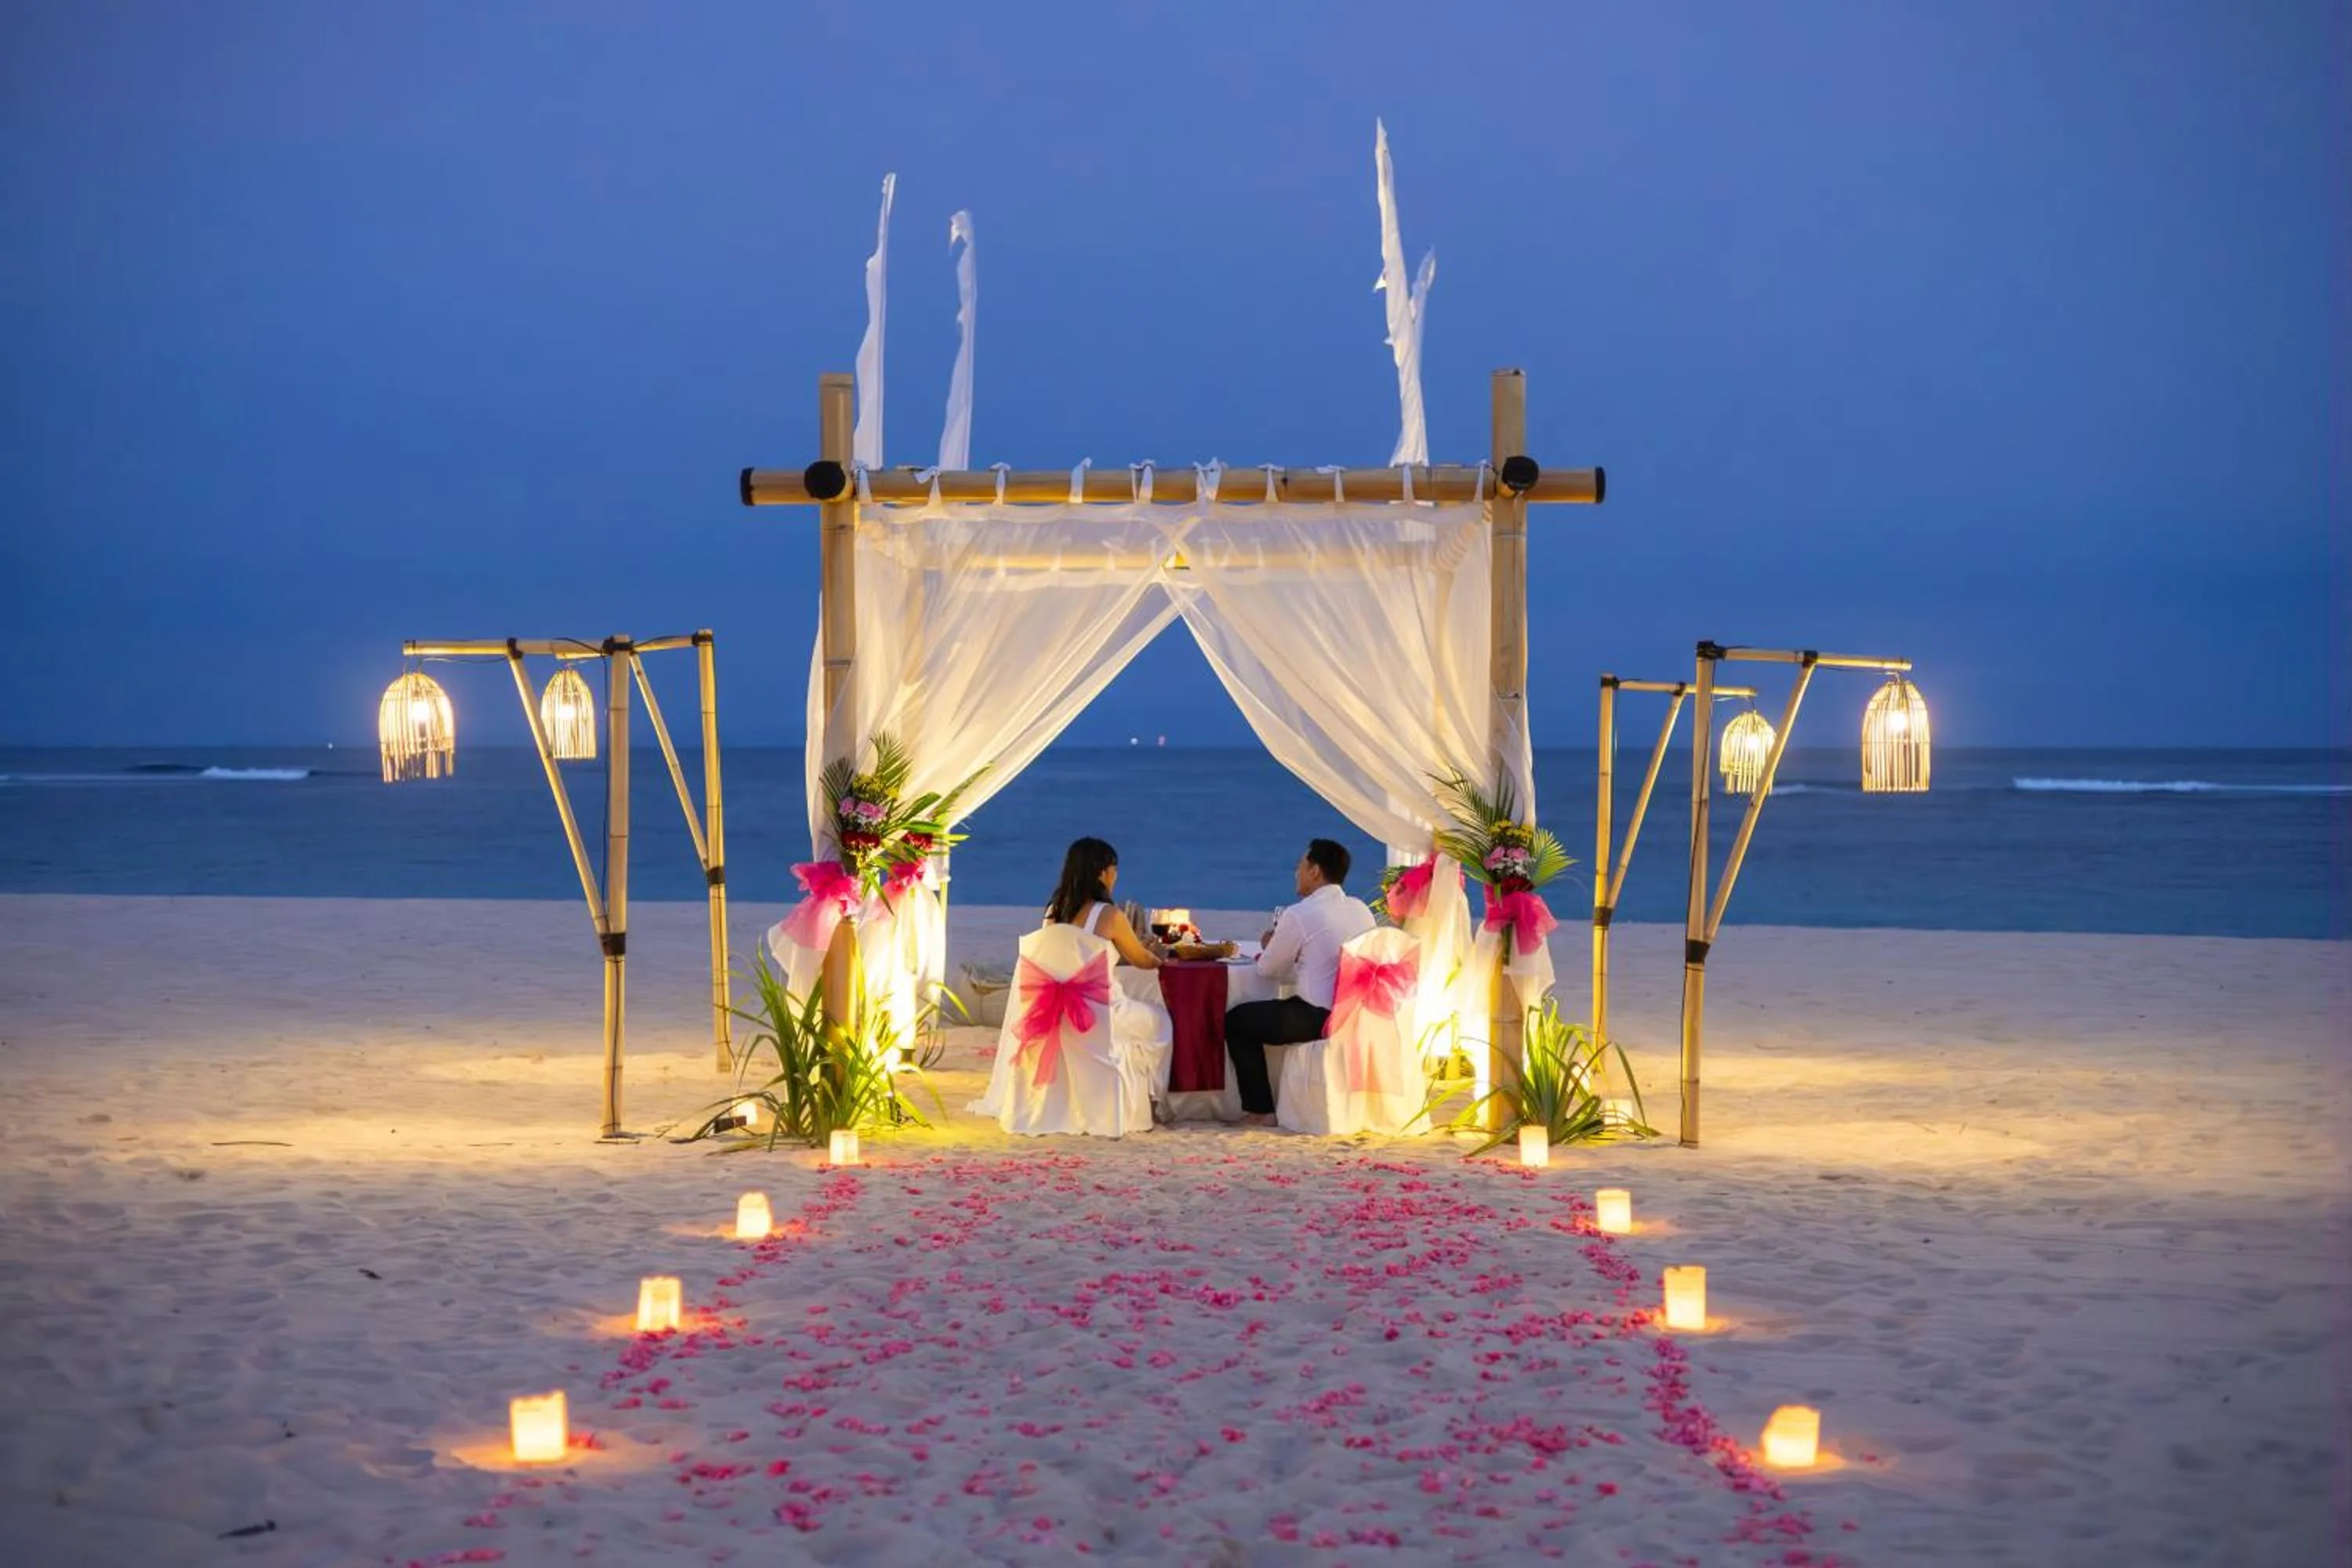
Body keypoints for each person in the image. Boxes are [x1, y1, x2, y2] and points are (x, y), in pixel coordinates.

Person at [1225, 838, 1376, 1127]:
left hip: (1318, 1016)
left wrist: (1270, 946)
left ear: (1315, 871)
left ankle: (1260, 1109)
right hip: (1358, 1014)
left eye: (1300, 867)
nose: (1297, 873)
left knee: (1238, 1021)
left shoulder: (1301, 913)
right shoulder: (1360, 909)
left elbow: (1269, 970)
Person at [1040, 837, 1175, 1103]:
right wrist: (1160, 958)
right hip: (1104, 1013)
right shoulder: (1111, 915)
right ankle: (1153, 1098)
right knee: (1161, 1021)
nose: (1116, 876)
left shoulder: (1053, 911)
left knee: (1143, 1017)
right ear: (1102, 872)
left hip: (1060, 1011)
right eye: (1114, 869)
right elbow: (1141, 961)